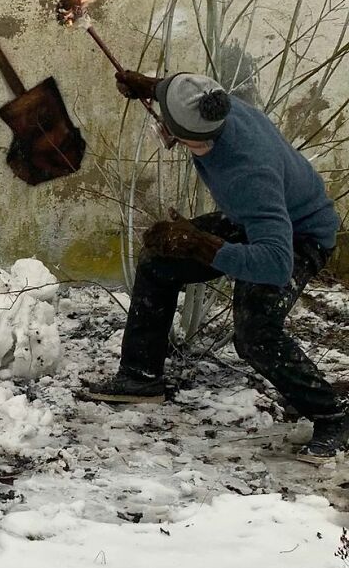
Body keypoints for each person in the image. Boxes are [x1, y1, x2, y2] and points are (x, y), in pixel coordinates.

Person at [82, 70, 346, 464]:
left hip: (298, 235)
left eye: (168, 128)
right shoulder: (213, 104)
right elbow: (177, 90)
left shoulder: (249, 174)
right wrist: (149, 88)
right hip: (253, 219)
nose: (162, 129)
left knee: (255, 333)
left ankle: (333, 416)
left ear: (196, 140)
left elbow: (276, 264)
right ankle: (141, 376)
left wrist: (202, 245)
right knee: (159, 261)